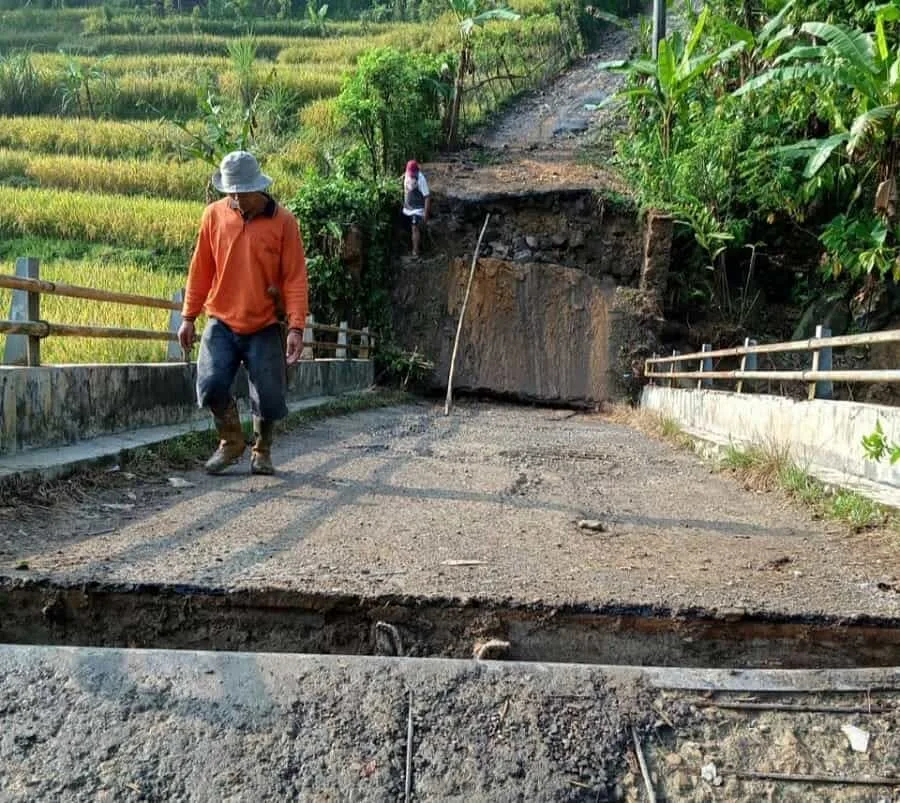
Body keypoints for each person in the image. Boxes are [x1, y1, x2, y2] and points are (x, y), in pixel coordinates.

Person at [178, 150, 309, 476]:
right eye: (230, 191)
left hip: (264, 322)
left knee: (269, 394)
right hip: (221, 319)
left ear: (258, 187)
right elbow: (201, 269)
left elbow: (295, 277)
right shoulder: (213, 216)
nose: (236, 197)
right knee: (210, 383)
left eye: (242, 190)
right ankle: (231, 440)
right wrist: (188, 316)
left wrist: (295, 327)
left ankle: (261, 451)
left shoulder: (284, 222)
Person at [402, 159, 431, 257]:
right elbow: (405, 190)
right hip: (407, 207)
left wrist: (425, 214)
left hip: (417, 209)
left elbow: (427, 197)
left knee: (414, 228)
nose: (411, 175)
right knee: (406, 228)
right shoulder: (406, 175)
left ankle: (415, 252)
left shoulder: (421, 179)